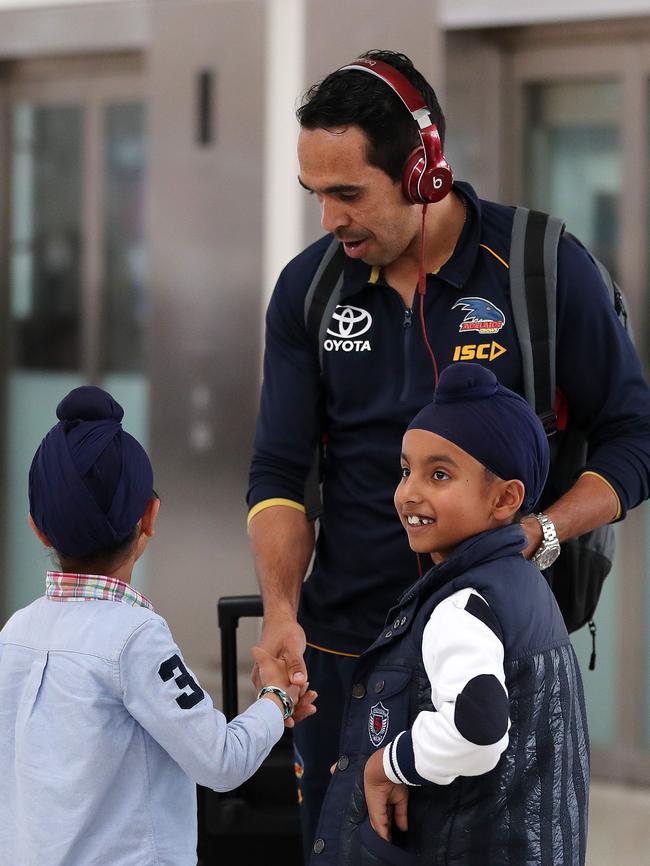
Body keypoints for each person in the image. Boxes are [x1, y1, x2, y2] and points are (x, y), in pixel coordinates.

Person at [246, 48, 650, 855]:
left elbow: (633, 436)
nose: (329, 219)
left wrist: (543, 532)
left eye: (348, 193)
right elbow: (279, 475)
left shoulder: (538, 269)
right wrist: (282, 614)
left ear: (423, 171)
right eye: (316, 195)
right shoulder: (309, 291)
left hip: (495, 657)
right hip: (342, 656)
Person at [0, 386, 315, 866]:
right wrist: (277, 698)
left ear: (36, 528)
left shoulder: (15, 634)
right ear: (150, 515)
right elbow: (222, 761)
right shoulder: (134, 638)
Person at [311, 362, 589, 866]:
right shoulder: (524, 585)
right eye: (405, 470)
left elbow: (477, 730)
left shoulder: (462, 605)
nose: (408, 493)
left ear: (505, 498)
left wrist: (386, 765)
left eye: (438, 474)